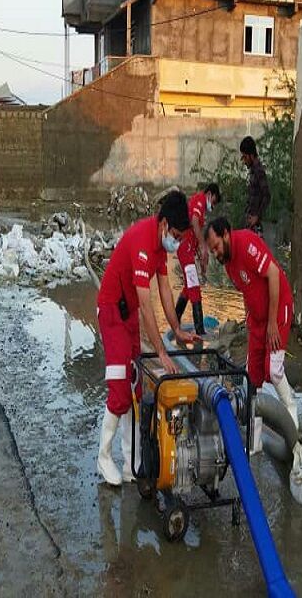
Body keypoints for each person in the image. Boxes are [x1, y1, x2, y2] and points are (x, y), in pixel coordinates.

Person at [96, 190, 200, 486]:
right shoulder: (142, 241)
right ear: (164, 224)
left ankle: (131, 463)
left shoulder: (160, 249)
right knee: (119, 388)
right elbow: (145, 304)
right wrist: (161, 352)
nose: (177, 242)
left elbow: (165, 290)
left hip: (127, 315)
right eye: (176, 235)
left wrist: (177, 328)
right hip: (112, 313)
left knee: (135, 386)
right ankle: (104, 457)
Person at [205, 216, 297, 429]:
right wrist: (249, 320)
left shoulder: (247, 243)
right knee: (252, 376)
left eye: (217, 247)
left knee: (273, 371)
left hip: (277, 310)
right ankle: (257, 431)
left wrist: (272, 323)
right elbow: (247, 290)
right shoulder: (228, 265)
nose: (215, 253)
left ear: (226, 234)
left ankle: (291, 415)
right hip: (256, 319)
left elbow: (273, 274)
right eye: (212, 251)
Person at [175, 182, 221, 335]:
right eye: (213, 201)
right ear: (210, 194)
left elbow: (196, 231)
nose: (212, 206)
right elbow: (194, 221)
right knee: (194, 288)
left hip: (188, 249)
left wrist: (202, 260)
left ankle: (175, 320)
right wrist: (203, 247)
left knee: (189, 288)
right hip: (185, 248)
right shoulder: (200, 200)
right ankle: (200, 331)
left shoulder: (200, 204)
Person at [239, 136, 270, 236]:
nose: (244, 161)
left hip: (255, 225)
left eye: (245, 157)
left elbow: (267, 195)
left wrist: (257, 216)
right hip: (250, 224)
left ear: (251, 155)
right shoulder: (253, 171)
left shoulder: (259, 171)